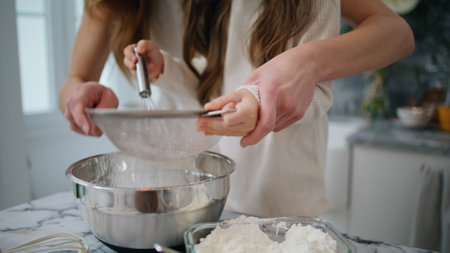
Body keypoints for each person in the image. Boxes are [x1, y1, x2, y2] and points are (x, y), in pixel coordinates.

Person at [59, 0, 414, 218]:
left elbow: (397, 33)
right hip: (182, 200)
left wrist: (309, 62)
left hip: (280, 204)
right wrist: (80, 94)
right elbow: (75, 79)